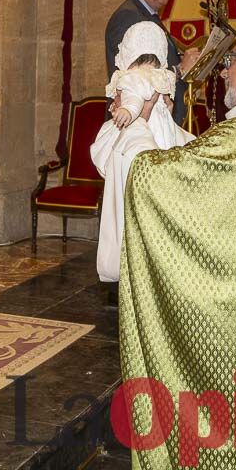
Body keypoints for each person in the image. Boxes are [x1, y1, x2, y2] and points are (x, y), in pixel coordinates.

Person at [116, 25, 236, 469]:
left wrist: (141, 122)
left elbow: (154, 180)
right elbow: (210, 166)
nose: (224, 71)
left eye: (233, 60)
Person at [91, 22, 193, 284]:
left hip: (142, 134)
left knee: (129, 202)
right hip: (159, 134)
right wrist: (160, 109)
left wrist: (128, 111)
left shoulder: (132, 78)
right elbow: (153, 104)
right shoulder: (160, 77)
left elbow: (135, 100)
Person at [104, 0, 198, 124]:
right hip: (138, 117)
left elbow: (156, 61)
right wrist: (180, 69)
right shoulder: (129, 16)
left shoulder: (147, 14)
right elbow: (137, 73)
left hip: (156, 113)